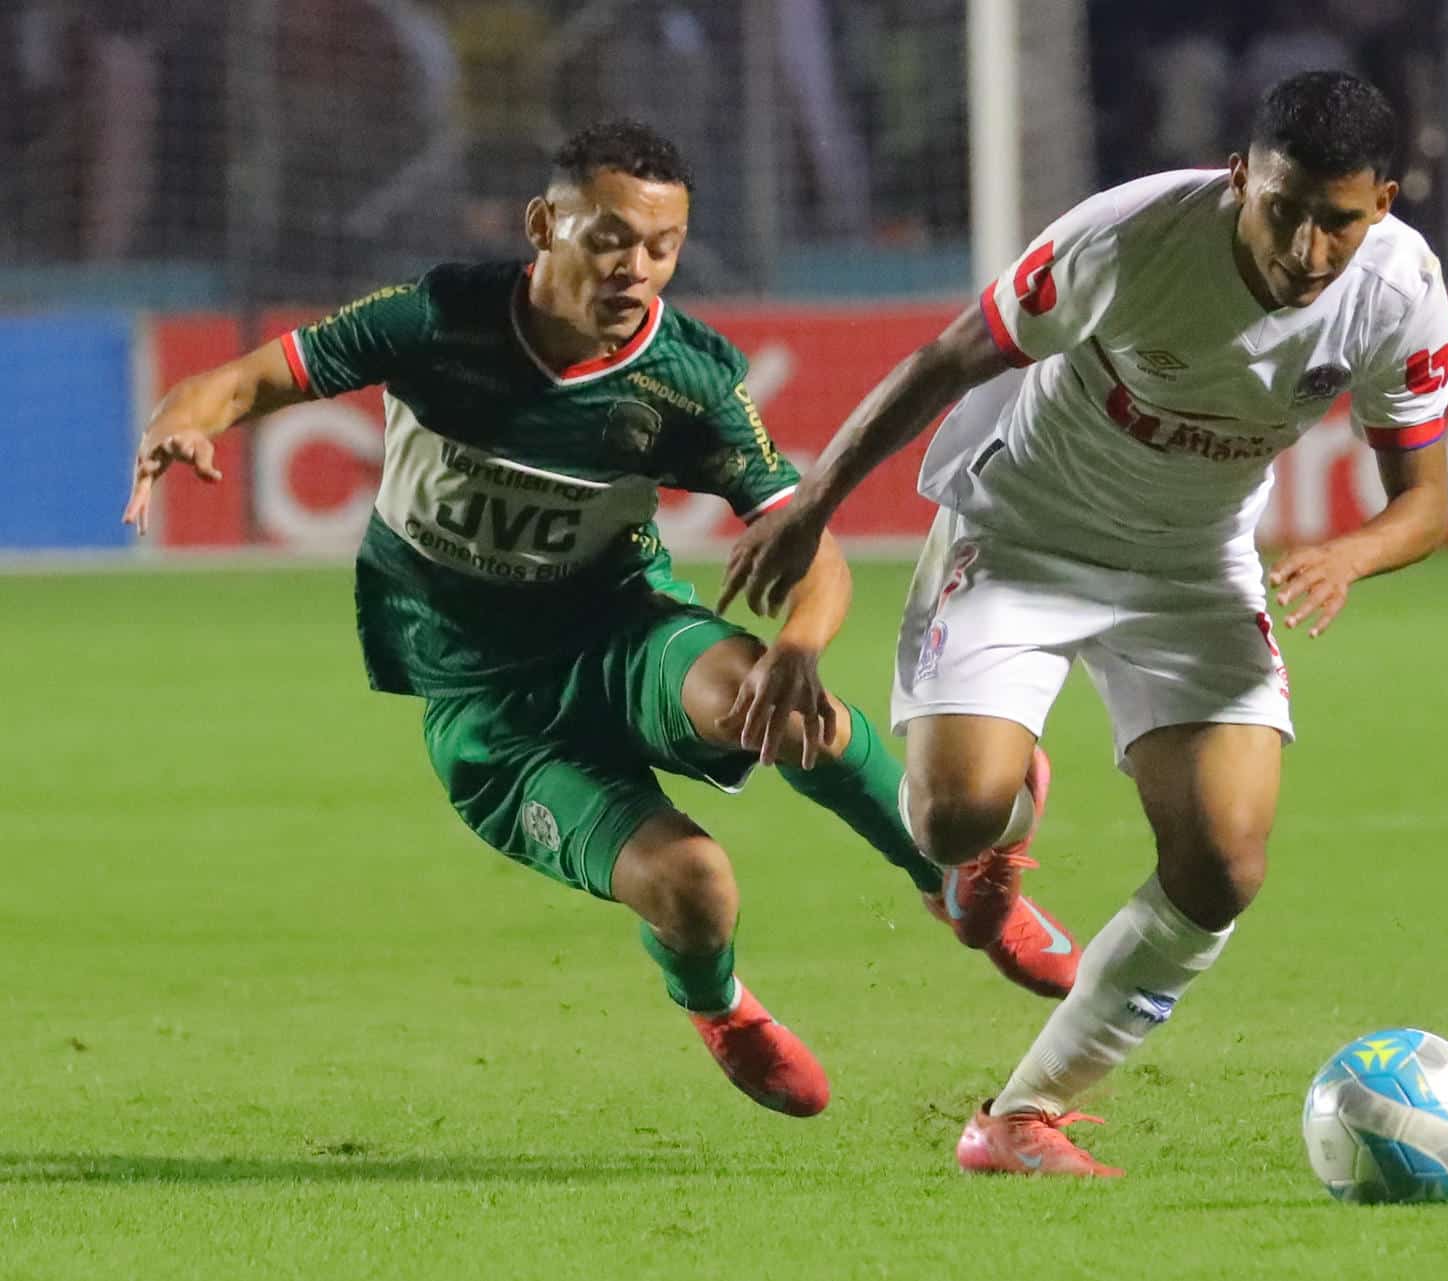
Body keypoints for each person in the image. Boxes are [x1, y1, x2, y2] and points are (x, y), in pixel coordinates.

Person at [121, 120, 1080, 1120]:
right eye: (612, 238)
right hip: (491, 719)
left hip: (625, 637)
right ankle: (719, 1006)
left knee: (782, 706)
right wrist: (178, 422)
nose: (637, 268)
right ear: (545, 224)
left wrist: (801, 644)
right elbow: (246, 380)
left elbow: (812, 543)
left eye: (662, 247)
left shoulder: (686, 379)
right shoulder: (438, 319)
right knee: (696, 884)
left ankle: (954, 872)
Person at [720, 71, 1448, 1174]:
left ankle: (1020, 1116)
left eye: (1339, 221)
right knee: (950, 819)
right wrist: (812, 504)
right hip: (1022, 531)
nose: (1307, 249)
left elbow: (1426, 501)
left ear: (1382, 204)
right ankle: (999, 826)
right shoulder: (1128, 237)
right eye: (1284, 211)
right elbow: (946, 359)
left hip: (1193, 568)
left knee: (1223, 866)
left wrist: (1351, 553)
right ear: (1241, 177)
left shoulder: (1400, 289)